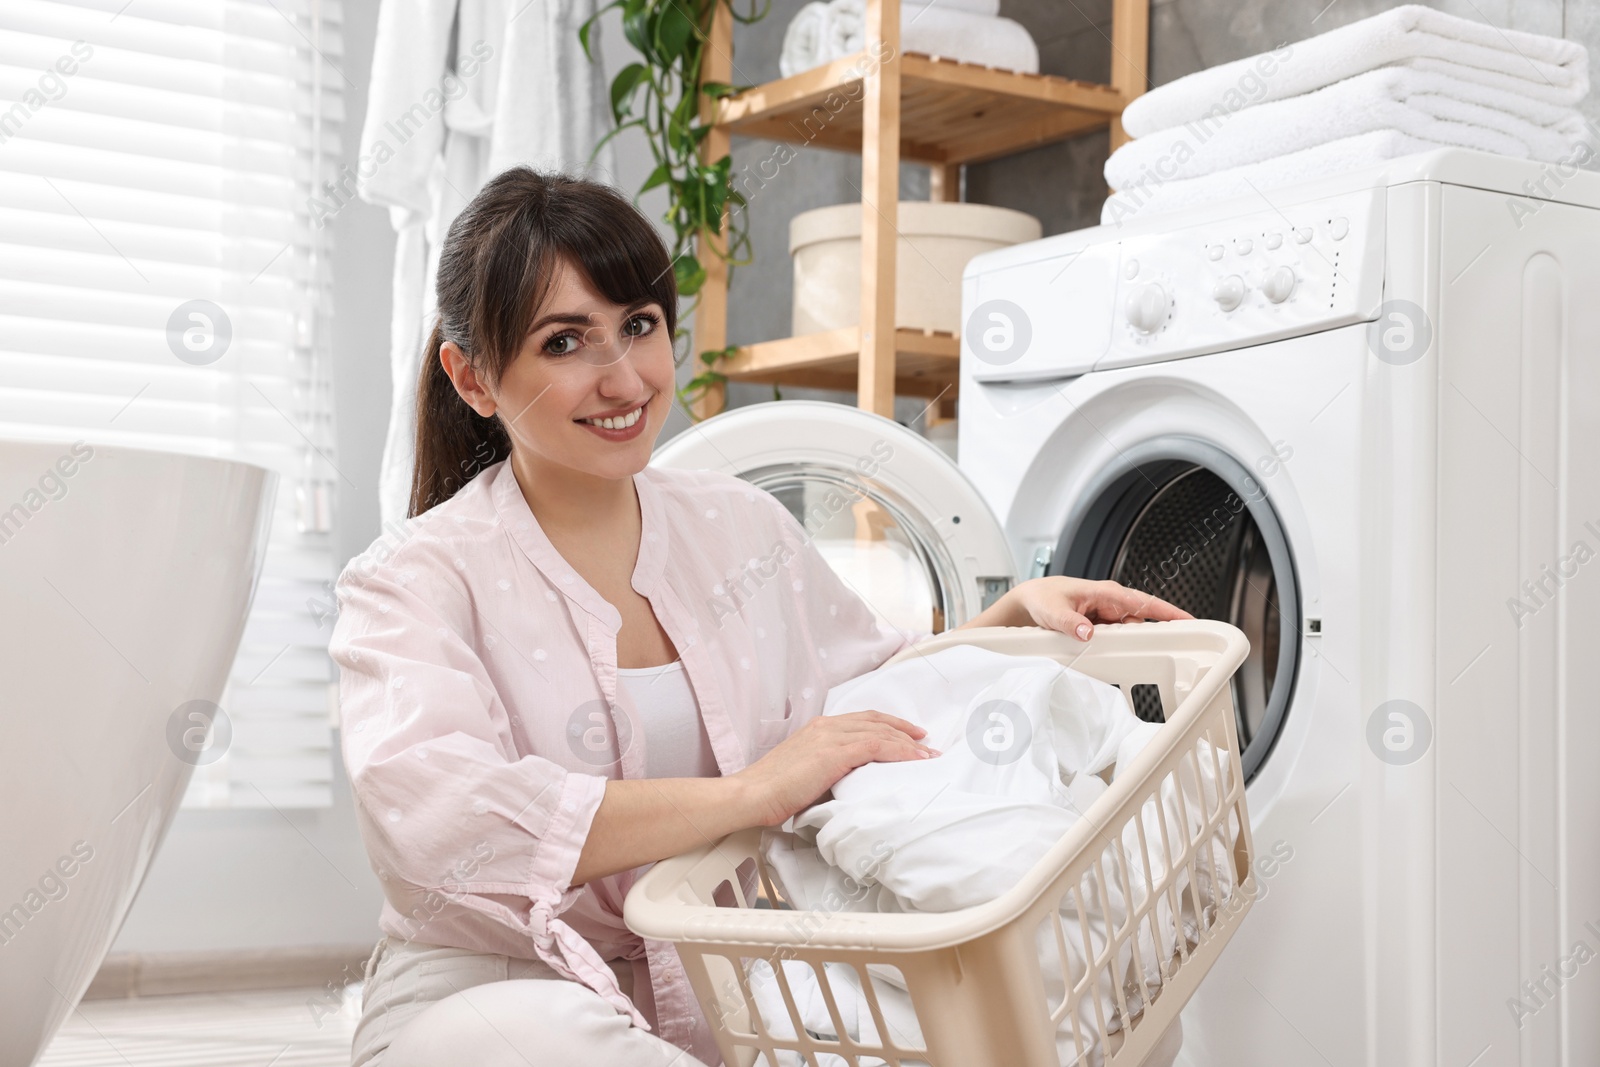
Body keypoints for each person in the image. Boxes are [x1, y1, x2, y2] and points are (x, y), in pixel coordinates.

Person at [330, 166, 1191, 1067]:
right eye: (564, 342)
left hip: (732, 996)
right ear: (472, 378)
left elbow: (869, 693)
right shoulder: (410, 581)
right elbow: (438, 823)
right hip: (503, 996)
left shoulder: (736, 526)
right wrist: (749, 795)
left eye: (640, 326)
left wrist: (1012, 618)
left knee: (1096, 1014)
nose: (624, 376)